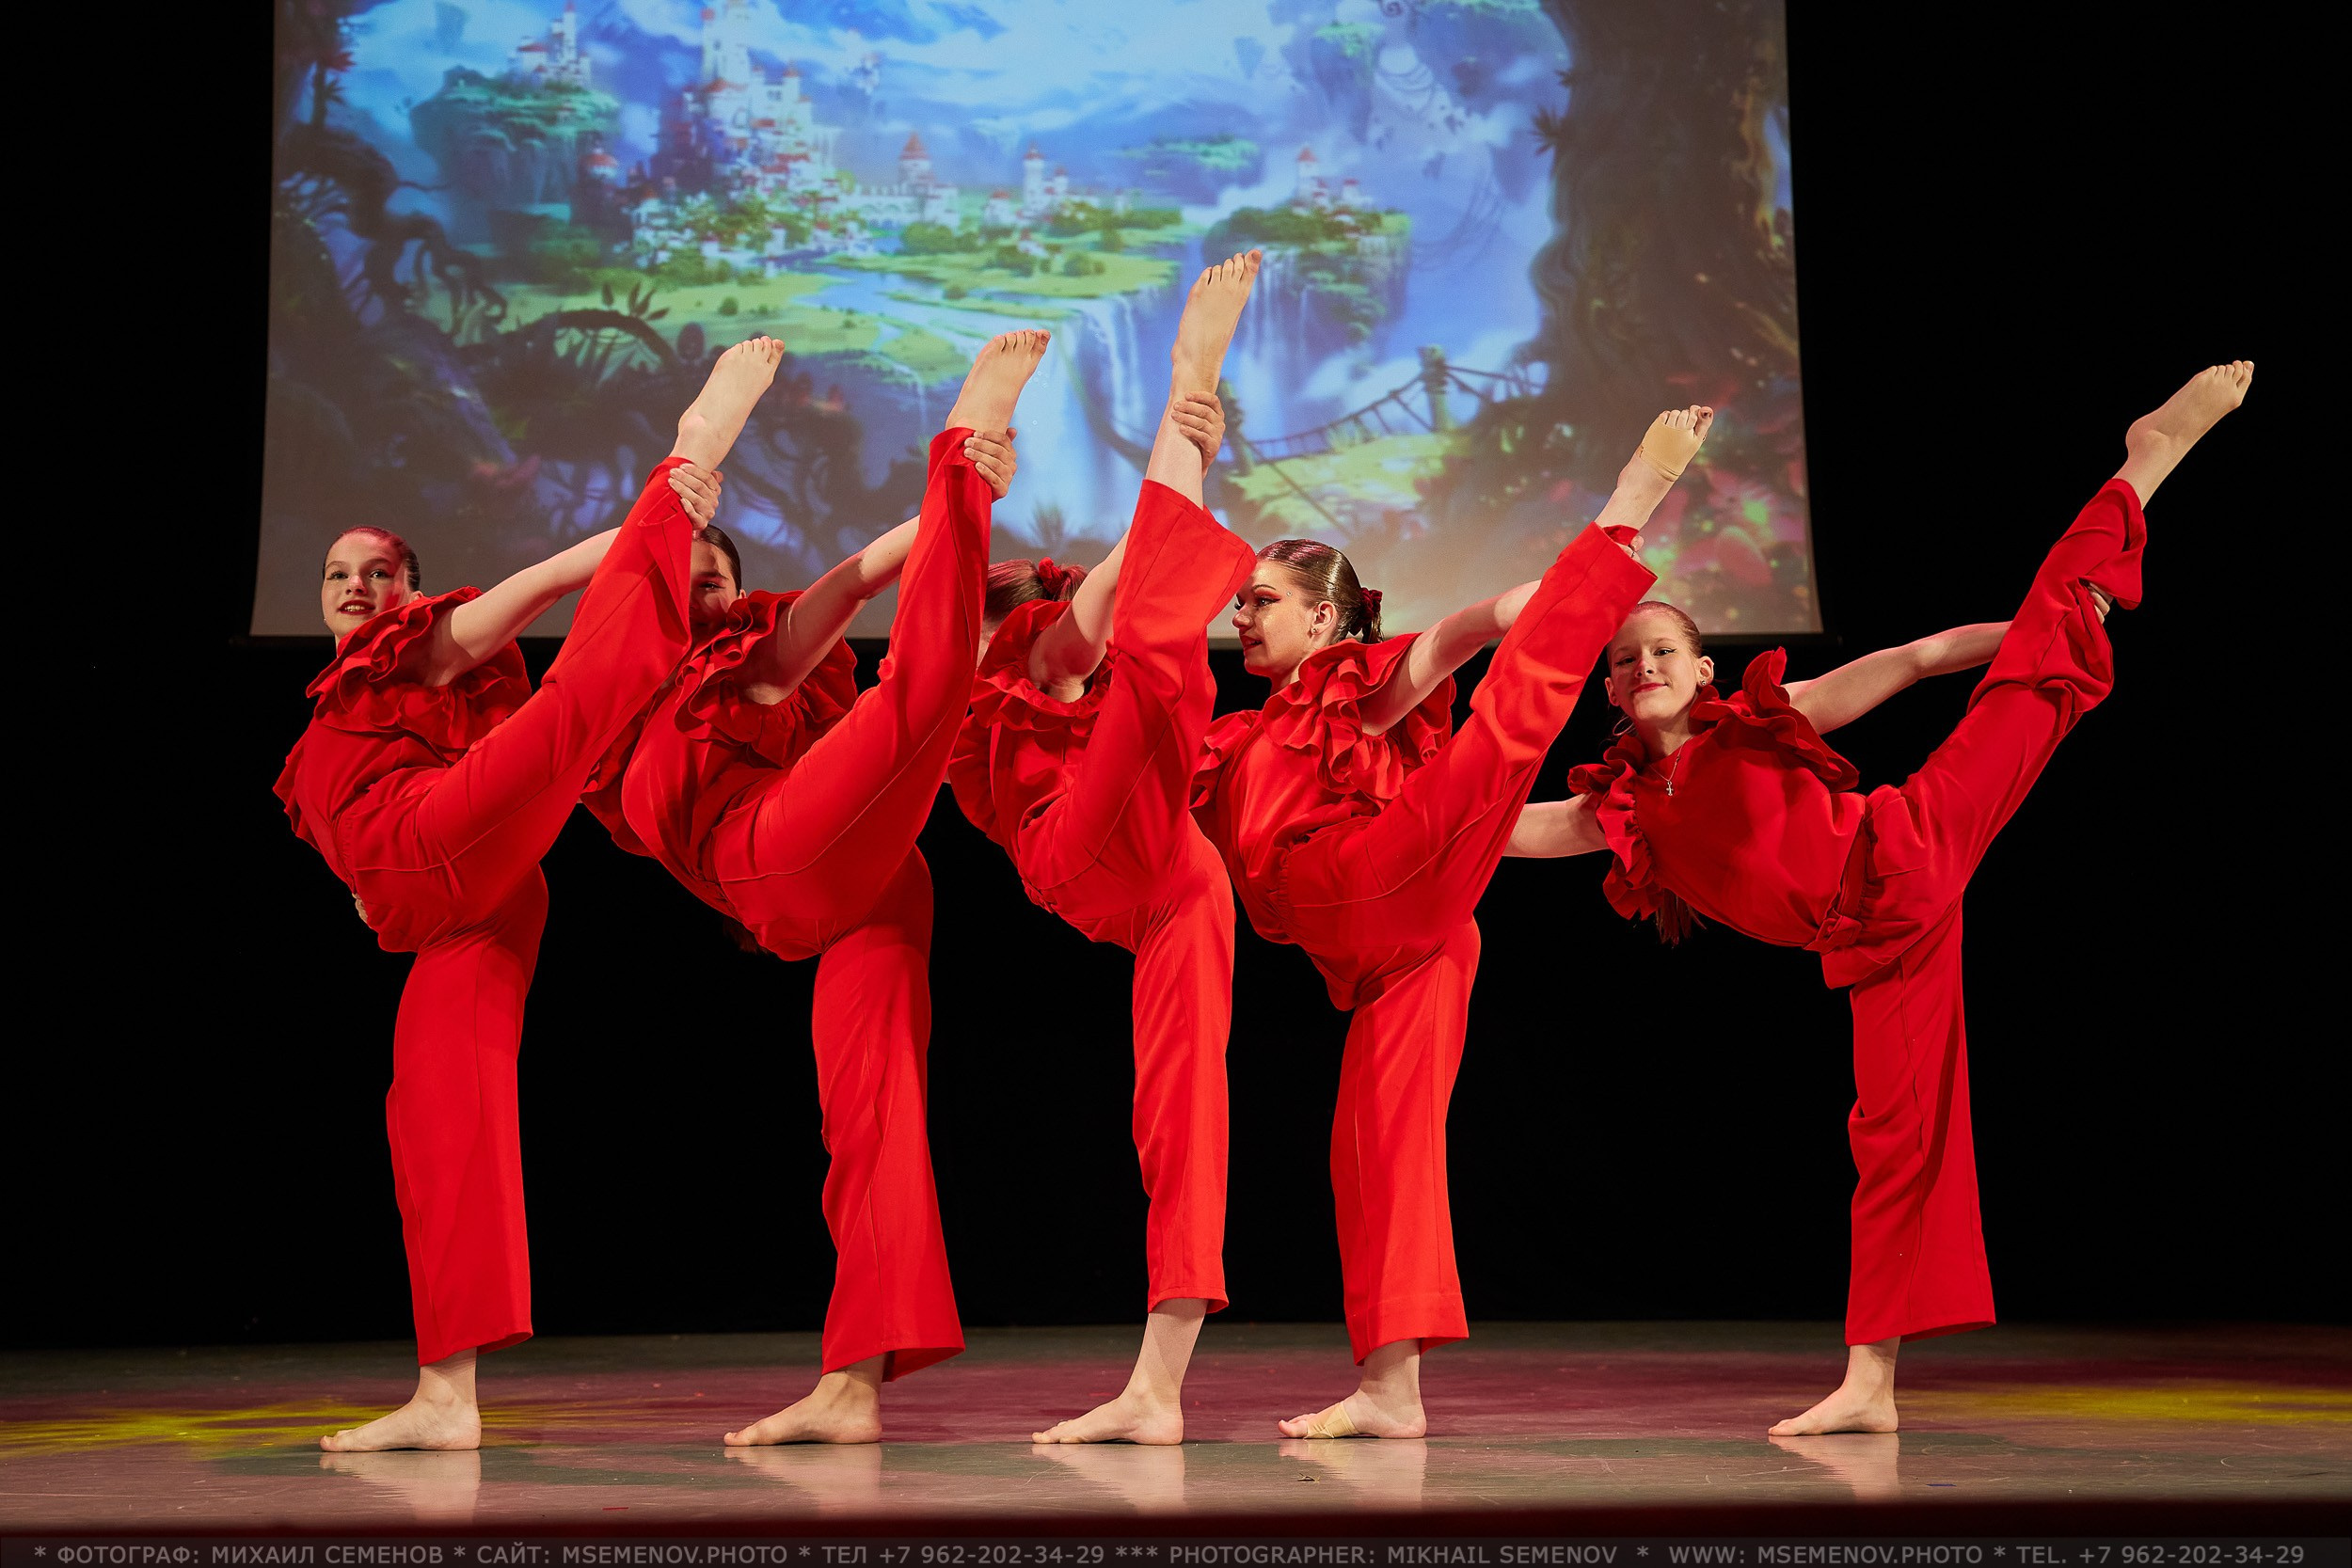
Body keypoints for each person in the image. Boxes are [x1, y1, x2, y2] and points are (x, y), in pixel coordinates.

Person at [1507, 362, 2253, 1433]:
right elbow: (1500, 827)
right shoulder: (1619, 808)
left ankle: (2150, 457)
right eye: (1622, 662)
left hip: (1910, 844)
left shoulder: (1764, 716)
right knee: (1890, 1137)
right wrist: (1418, 811)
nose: (1640, 667)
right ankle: (1870, 1385)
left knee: (2041, 672)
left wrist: (2042, 632)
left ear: (1703, 669)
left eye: (1660, 649)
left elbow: (1912, 659)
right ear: (1611, 691)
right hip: (1875, 947)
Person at [275, 338, 786, 1450]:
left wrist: (659, 517)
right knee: (434, 1116)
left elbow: (536, 587)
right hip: (448, 903)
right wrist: (369, 897)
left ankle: (698, 439)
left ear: (408, 591)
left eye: (380, 573)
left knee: (570, 707)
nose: (359, 587)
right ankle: (445, 1396)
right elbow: (338, 833)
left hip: (445, 831)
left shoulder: (416, 655)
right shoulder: (319, 725)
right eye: (337, 575)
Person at [1194, 405, 1718, 1437]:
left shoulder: (1350, 686)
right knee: (1375, 1146)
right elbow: (1496, 832)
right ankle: (1391, 1392)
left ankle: (1627, 503)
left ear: (1324, 622)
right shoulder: (1237, 737)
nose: (1240, 618)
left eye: (1259, 600)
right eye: (1237, 605)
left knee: (1504, 724)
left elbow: (1467, 631)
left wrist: (1554, 600)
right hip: (1388, 926)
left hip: (1373, 886)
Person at [583, 332, 1048, 1444]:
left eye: (719, 585)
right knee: (863, 1124)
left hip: (824, 859)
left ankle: (961, 451)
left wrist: (935, 522)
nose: (703, 600)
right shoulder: (616, 707)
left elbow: (801, 631)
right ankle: (850, 1384)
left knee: (921, 692)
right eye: (686, 584)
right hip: (780, 872)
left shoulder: (742, 662)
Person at [946, 256, 1263, 1445]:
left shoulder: (1046, 651)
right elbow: (1083, 613)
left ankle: (1158, 1385)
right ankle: (1192, 383)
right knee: (1149, 657)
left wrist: (1189, 441)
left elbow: (1124, 587)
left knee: (1186, 1110)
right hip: (1076, 853)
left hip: (1169, 866)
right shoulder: (963, 686)